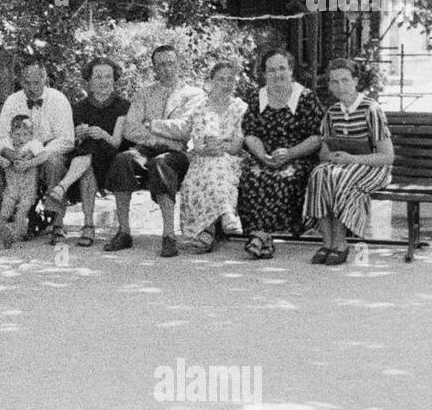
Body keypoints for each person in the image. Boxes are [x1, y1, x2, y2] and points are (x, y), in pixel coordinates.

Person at [102, 44, 203, 257]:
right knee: (123, 159)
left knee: (161, 163)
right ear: (154, 69)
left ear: (179, 64)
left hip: (178, 153)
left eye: (170, 63)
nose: (166, 69)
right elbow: (130, 128)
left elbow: (185, 129)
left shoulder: (193, 94)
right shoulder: (145, 93)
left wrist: (151, 124)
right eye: (161, 65)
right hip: (146, 148)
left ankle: (168, 235)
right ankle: (124, 231)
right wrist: (157, 137)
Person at [0, 58, 75, 244]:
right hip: (15, 155)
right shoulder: (13, 100)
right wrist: (9, 153)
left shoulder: (58, 100)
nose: (32, 87)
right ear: (21, 82)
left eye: (37, 82)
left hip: (44, 155)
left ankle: (57, 225)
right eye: (27, 83)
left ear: (45, 80)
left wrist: (37, 153)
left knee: (55, 163)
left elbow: (67, 139)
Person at [303, 59, 394, 266]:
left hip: (373, 167)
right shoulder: (332, 112)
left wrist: (351, 159)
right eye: (334, 82)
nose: (340, 86)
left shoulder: (371, 109)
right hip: (342, 165)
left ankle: (340, 244)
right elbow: (324, 153)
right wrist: (331, 157)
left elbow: (387, 156)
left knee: (340, 178)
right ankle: (327, 243)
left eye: (345, 80)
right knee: (319, 174)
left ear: (355, 81)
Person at [152, 61, 248, 253]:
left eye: (230, 80)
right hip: (203, 158)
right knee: (197, 178)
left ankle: (212, 226)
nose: (226, 84)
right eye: (221, 79)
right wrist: (207, 148)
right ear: (211, 81)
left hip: (230, 158)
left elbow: (238, 144)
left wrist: (221, 147)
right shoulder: (201, 108)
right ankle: (217, 221)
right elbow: (198, 143)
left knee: (218, 166)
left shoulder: (240, 107)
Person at [237, 50, 324, 259]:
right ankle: (263, 239)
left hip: (298, 157)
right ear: (265, 74)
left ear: (291, 71)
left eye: (282, 68)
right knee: (252, 174)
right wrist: (263, 156)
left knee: (283, 177)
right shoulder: (256, 97)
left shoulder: (305, 97)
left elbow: (317, 136)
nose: (277, 74)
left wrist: (290, 153)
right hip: (264, 157)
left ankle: (260, 236)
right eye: (271, 70)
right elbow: (249, 133)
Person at [46, 57, 130, 247]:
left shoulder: (123, 106)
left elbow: (116, 142)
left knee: (93, 145)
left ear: (114, 79)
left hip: (111, 159)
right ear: (90, 80)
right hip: (84, 163)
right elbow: (70, 140)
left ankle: (62, 187)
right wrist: (78, 132)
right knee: (87, 162)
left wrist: (102, 134)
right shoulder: (79, 107)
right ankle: (88, 225)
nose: (103, 81)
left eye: (108, 76)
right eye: (98, 76)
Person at [0, 115, 45, 250]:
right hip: (12, 187)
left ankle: (14, 236)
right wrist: (0, 159)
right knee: (5, 211)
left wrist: (29, 163)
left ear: (31, 135)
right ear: (11, 134)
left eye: (25, 134)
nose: (21, 138)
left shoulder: (33, 144)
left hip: (28, 188)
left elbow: (44, 156)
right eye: (17, 134)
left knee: (22, 212)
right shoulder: (7, 143)